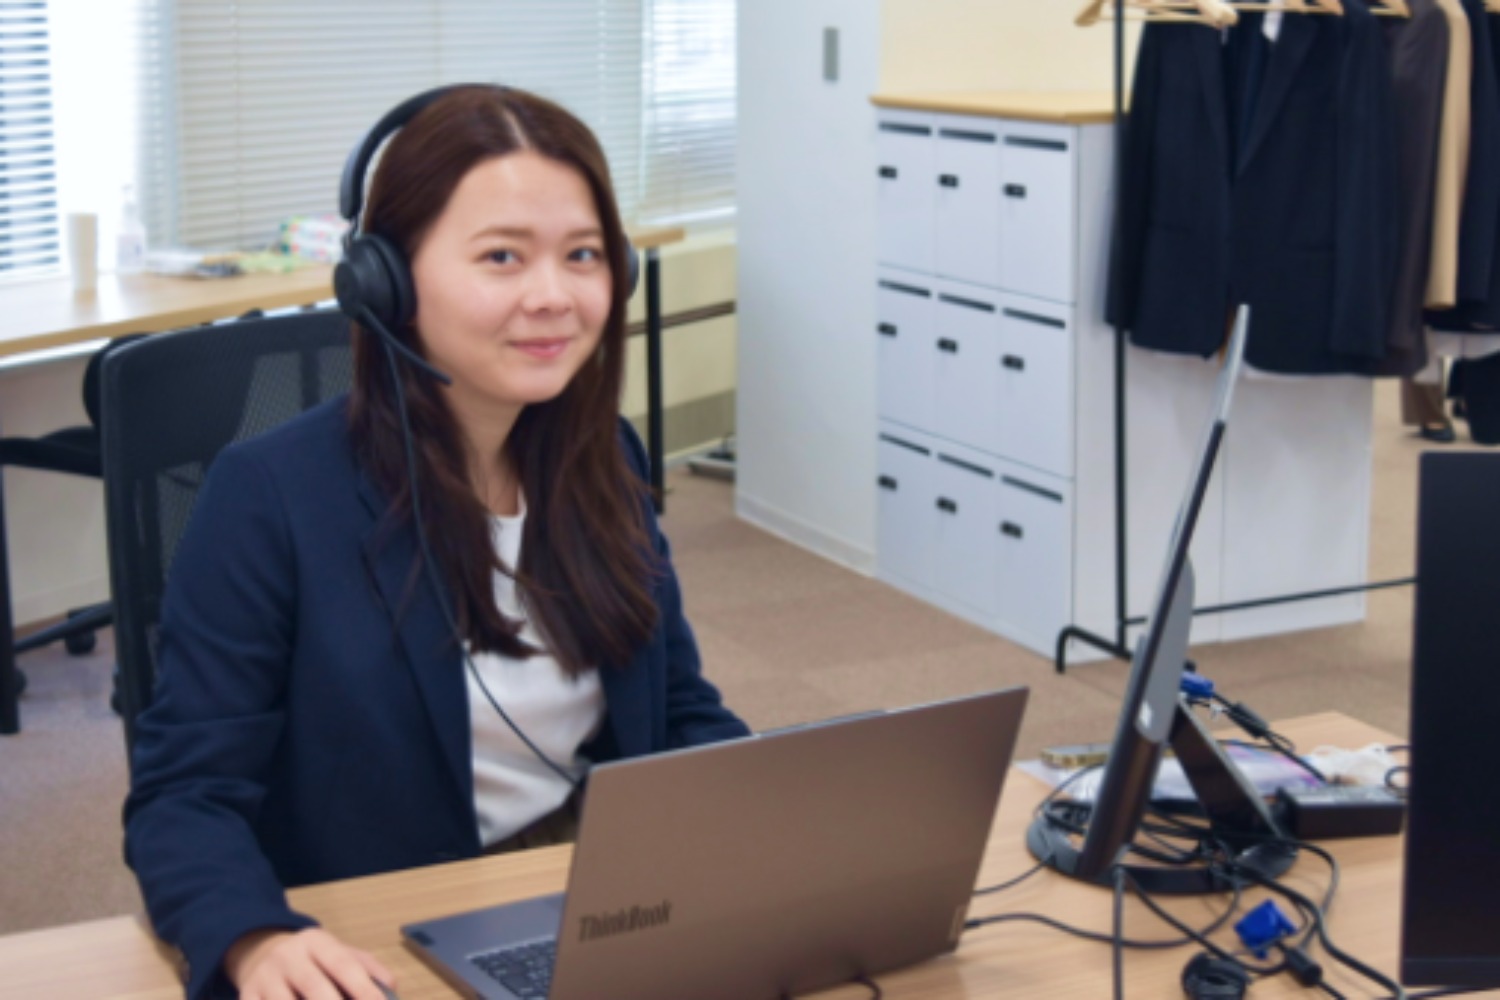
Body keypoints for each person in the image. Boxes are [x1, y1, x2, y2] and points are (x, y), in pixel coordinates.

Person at [123, 84, 750, 1000]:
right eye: (502, 257)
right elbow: (184, 796)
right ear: (387, 280)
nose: (553, 296)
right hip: (387, 928)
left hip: (594, 896)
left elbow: (679, 708)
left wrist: (772, 827)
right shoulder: (270, 497)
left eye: (582, 255)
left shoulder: (602, 458)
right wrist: (255, 941)